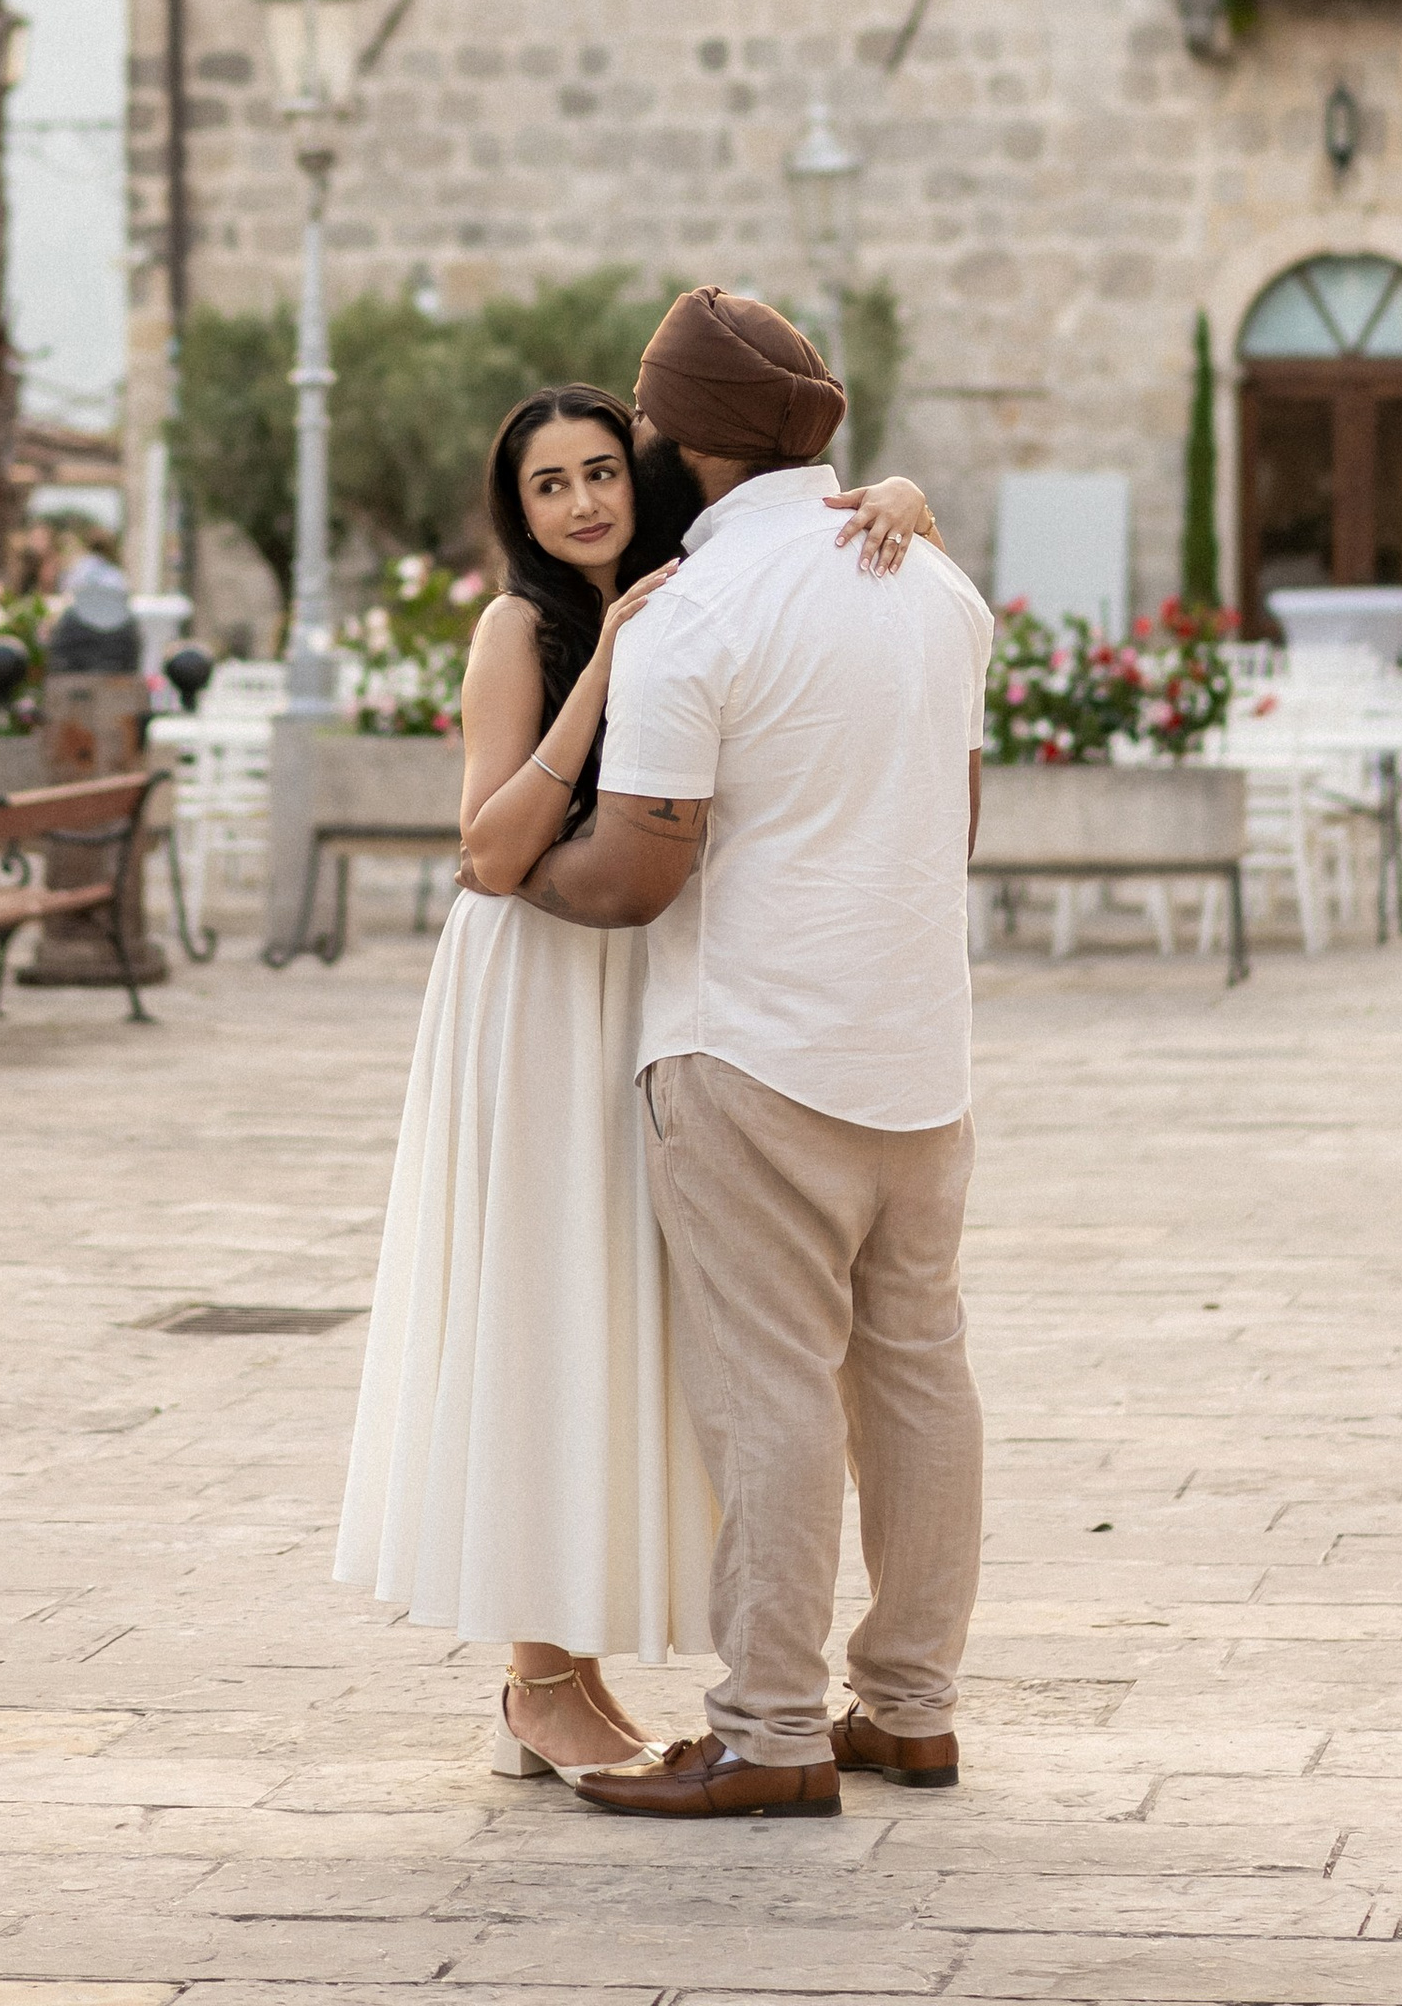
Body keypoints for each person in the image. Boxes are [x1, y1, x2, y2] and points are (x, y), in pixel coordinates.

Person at [333, 379, 941, 1787]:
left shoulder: (714, 576)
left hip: (657, 979)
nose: (583, 502)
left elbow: (850, 533)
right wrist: (605, 659)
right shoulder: (520, 628)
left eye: (601, 470)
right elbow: (487, 849)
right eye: (550, 486)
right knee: (540, 1301)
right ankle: (540, 1682)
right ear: (522, 512)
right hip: (537, 983)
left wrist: (903, 504)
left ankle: (574, 1665)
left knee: (628, 1315)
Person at [503, 288, 995, 1824]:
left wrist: (523, 873)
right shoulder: (936, 584)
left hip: (754, 1048)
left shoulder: (700, 617)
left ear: (679, 438)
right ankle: (906, 1709)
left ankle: (772, 1727)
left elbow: (644, 868)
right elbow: (955, 819)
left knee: (770, 1390)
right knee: (918, 1374)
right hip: (922, 1048)